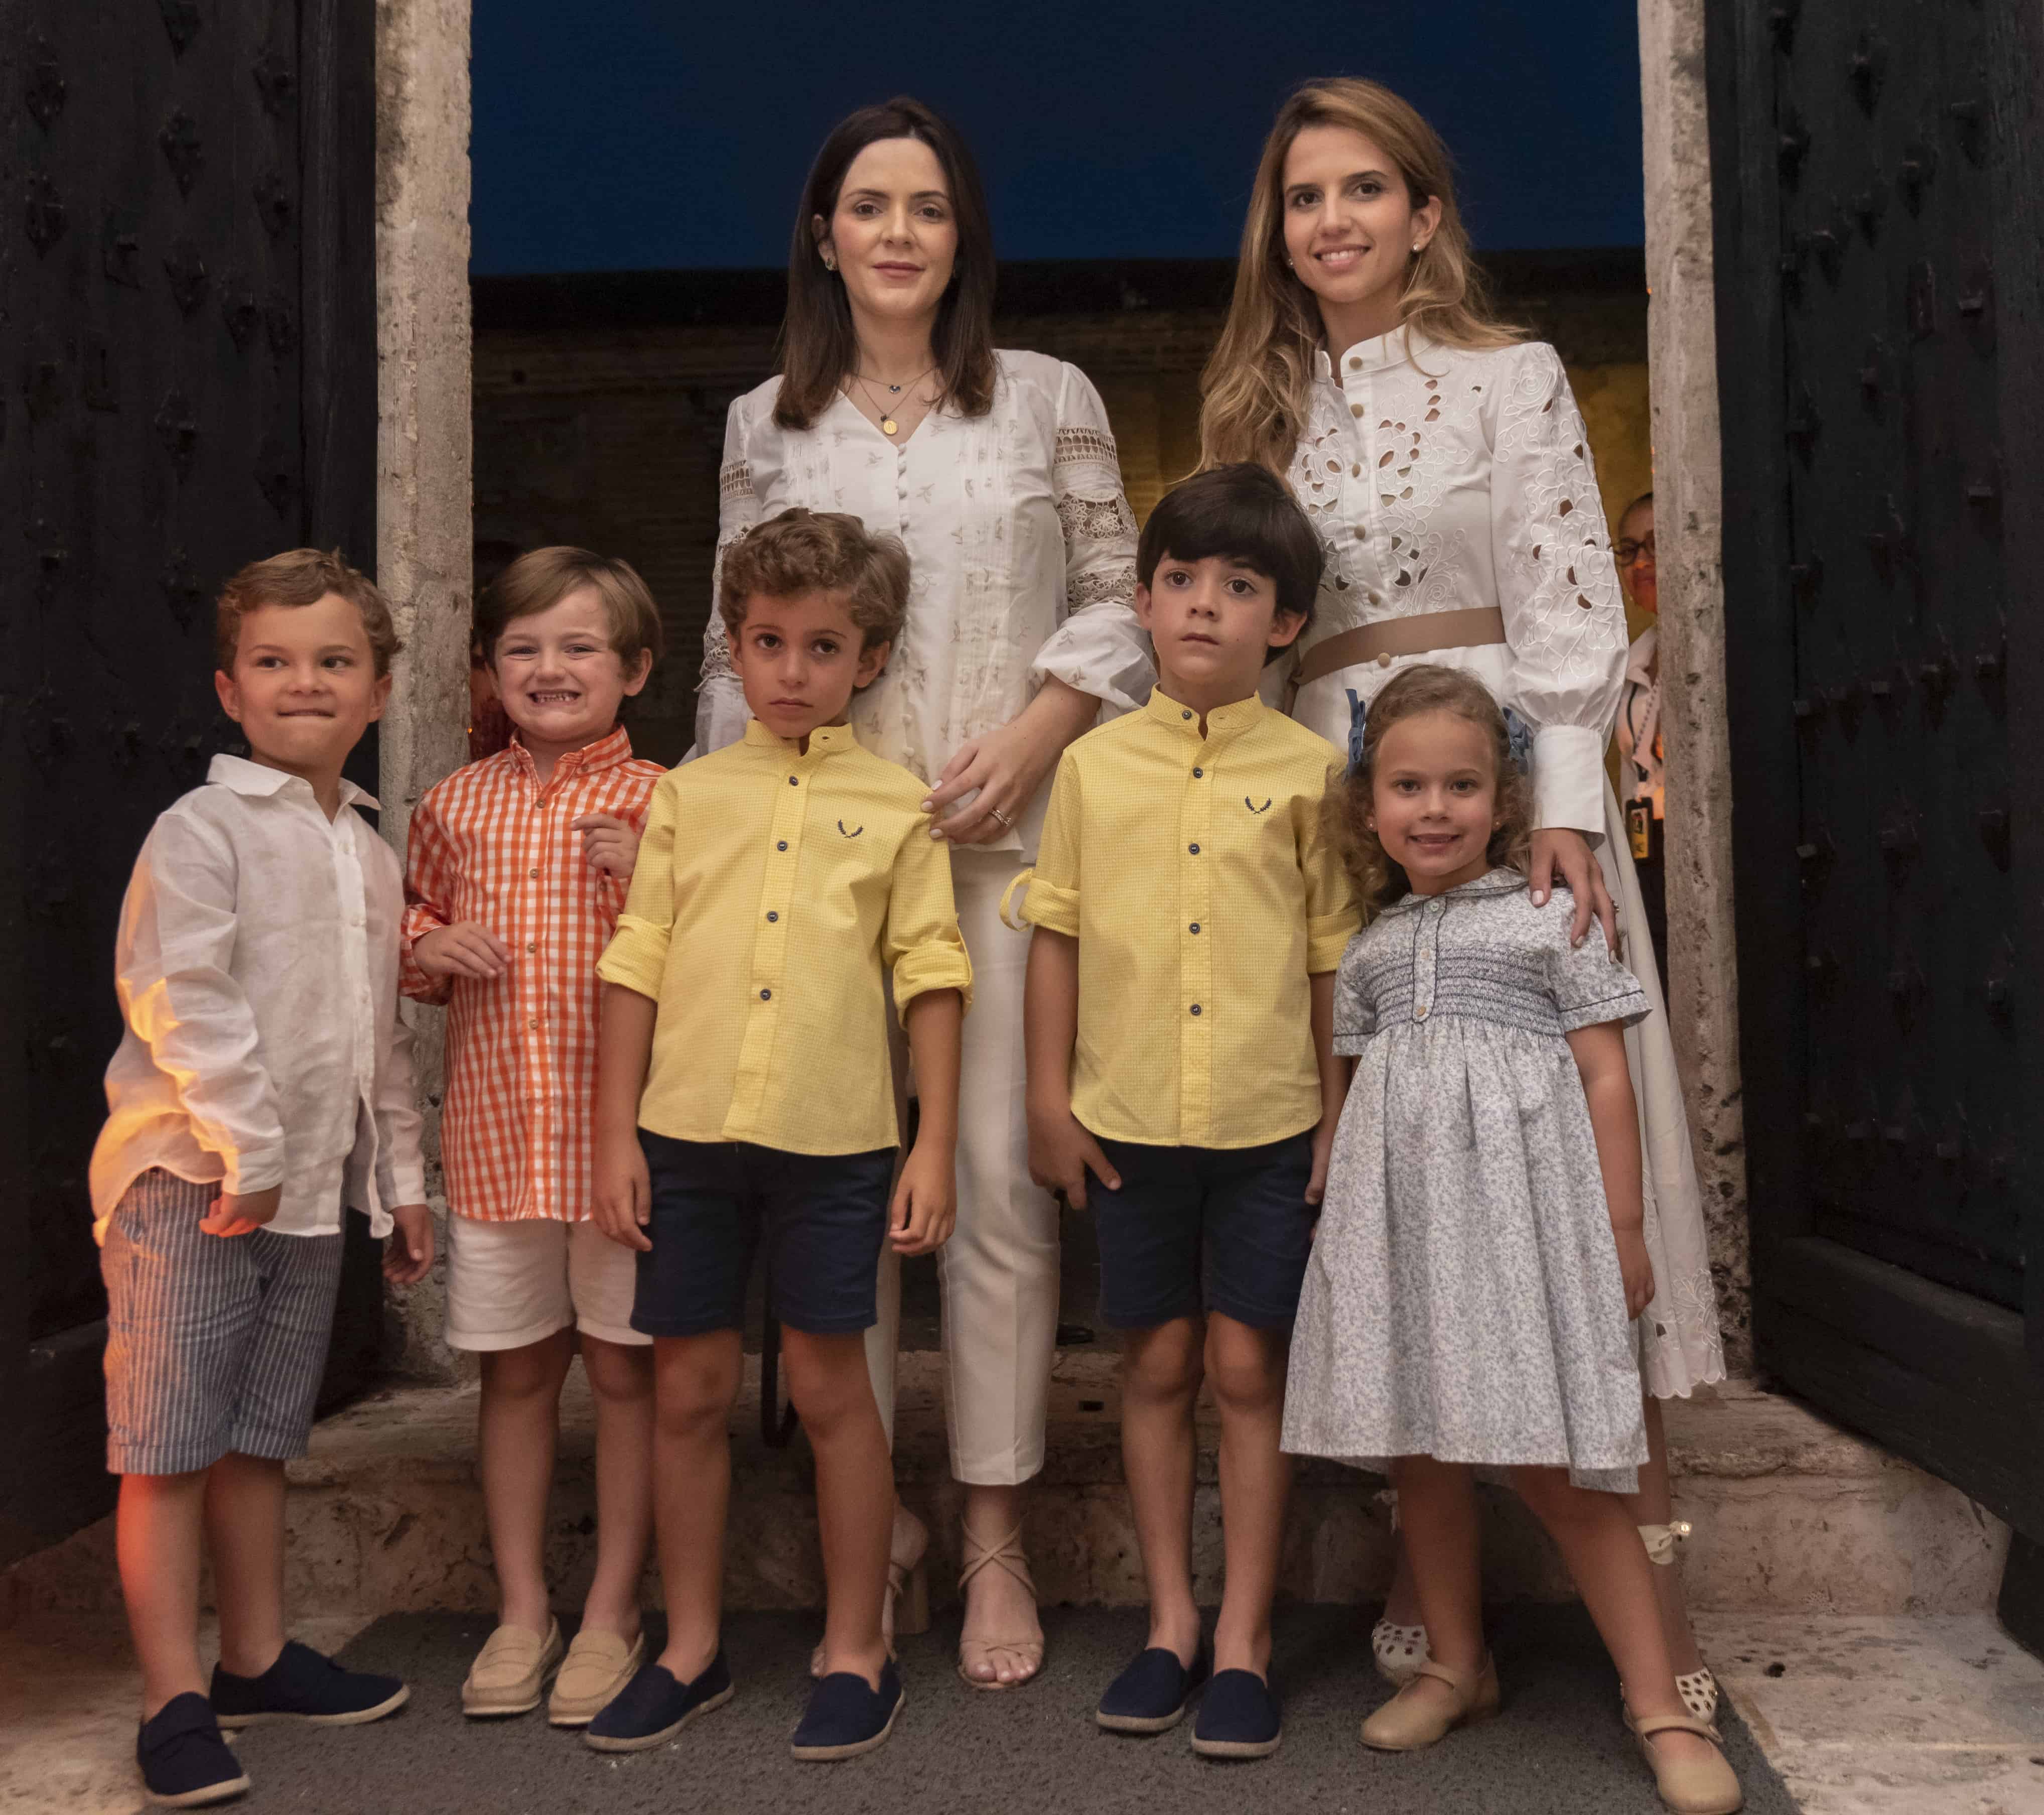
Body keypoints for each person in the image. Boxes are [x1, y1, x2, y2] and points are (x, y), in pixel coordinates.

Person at [1200, 77, 1724, 1719]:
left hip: (1494, 780)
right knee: (1391, 1169)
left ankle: (1660, 1614)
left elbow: (1572, 592)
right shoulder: (1260, 410)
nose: (1333, 221)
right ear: (1277, 231)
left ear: (1425, 213)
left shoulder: (1511, 377)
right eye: (1303, 198)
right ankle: (1446, 1622)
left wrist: (1560, 805)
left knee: (1563, 1162)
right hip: (1332, 789)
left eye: (1364, 189)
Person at [698, 95, 1152, 1690]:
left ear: (964, 238)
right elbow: (723, 648)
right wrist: (706, 845)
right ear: (824, 233)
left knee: (997, 1202)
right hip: (818, 875)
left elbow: (1118, 597)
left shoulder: (1044, 399)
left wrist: (1040, 727)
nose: (898, 232)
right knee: (842, 1208)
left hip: (1008, 857)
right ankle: (863, 1532)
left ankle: (991, 1533)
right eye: (868, 205)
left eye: (928, 207)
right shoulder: (767, 418)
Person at [1287, 666, 1742, 1814]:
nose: (1431, 807)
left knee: (1556, 1469)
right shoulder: (1371, 950)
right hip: (1403, 1237)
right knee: (1420, 1457)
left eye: (1458, 783)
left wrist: (1622, 1225)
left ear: (1499, 800)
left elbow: (1603, 1073)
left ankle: (1657, 1704)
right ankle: (1454, 1661)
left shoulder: (1550, 916)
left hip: (1518, 1239)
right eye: (1405, 785)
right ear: (1368, 804)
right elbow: (1355, 1094)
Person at [588, 507, 971, 1761]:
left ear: (866, 660)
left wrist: (929, 1144)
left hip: (835, 1141)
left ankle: (856, 1644)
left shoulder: (895, 803)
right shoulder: (688, 796)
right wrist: (615, 1137)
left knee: (830, 1387)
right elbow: (636, 961)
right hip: (686, 1133)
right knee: (687, 1388)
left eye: (821, 646)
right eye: (767, 641)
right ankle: (688, 1645)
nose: (792, 670)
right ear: (733, 650)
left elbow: (928, 968)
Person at [1018, 466, 1357, 1759]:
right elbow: (1053, 939)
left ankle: (1245, 1640)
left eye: (1237, 587)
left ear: (1282, 624)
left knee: (1242, 1367)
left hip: (1272, 1125)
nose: (1202, 606)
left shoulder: (1315, 771)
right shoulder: (1093, 767)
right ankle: (1167, 1619)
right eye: (1177, 581)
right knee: (1152, 1364)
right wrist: (1046, 1101)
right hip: (1125, 1122)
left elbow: (1332, 957)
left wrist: (1335, 1113)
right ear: (1145, 604)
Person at [88, 549, 434, 1808]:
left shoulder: (365, 846)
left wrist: (402, 1178)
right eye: (276, 664)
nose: (305, 683)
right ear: (231, 691)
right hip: (195, 1179)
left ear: (379, 690)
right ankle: (171, 1697)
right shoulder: (201, 828)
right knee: (169, 1444)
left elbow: (372, 1030)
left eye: (333, 661)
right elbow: (184, 998)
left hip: (300, 1191)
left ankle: (254, 1655)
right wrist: (253, 1151)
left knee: (257, 1434)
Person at [400, 549, 666, 1727]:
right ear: (486, 671)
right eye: (523, 648)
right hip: (501, 1137)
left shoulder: (670, 801)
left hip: (628, 1149)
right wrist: (425, 945)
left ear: (635, 670)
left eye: (578, 647)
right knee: (514, 1374)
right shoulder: (453, 805)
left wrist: (659, 875)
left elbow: (724, 964)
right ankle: (522, 1606)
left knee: (622, 1370)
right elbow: (409, 920)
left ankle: (611, 1605)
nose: (548, 668)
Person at [1613, 493, 1666, 975]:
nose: (1641, 562)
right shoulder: (1626, 662)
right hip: (1644, 843)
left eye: (1655, 544)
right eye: (1628, 551)